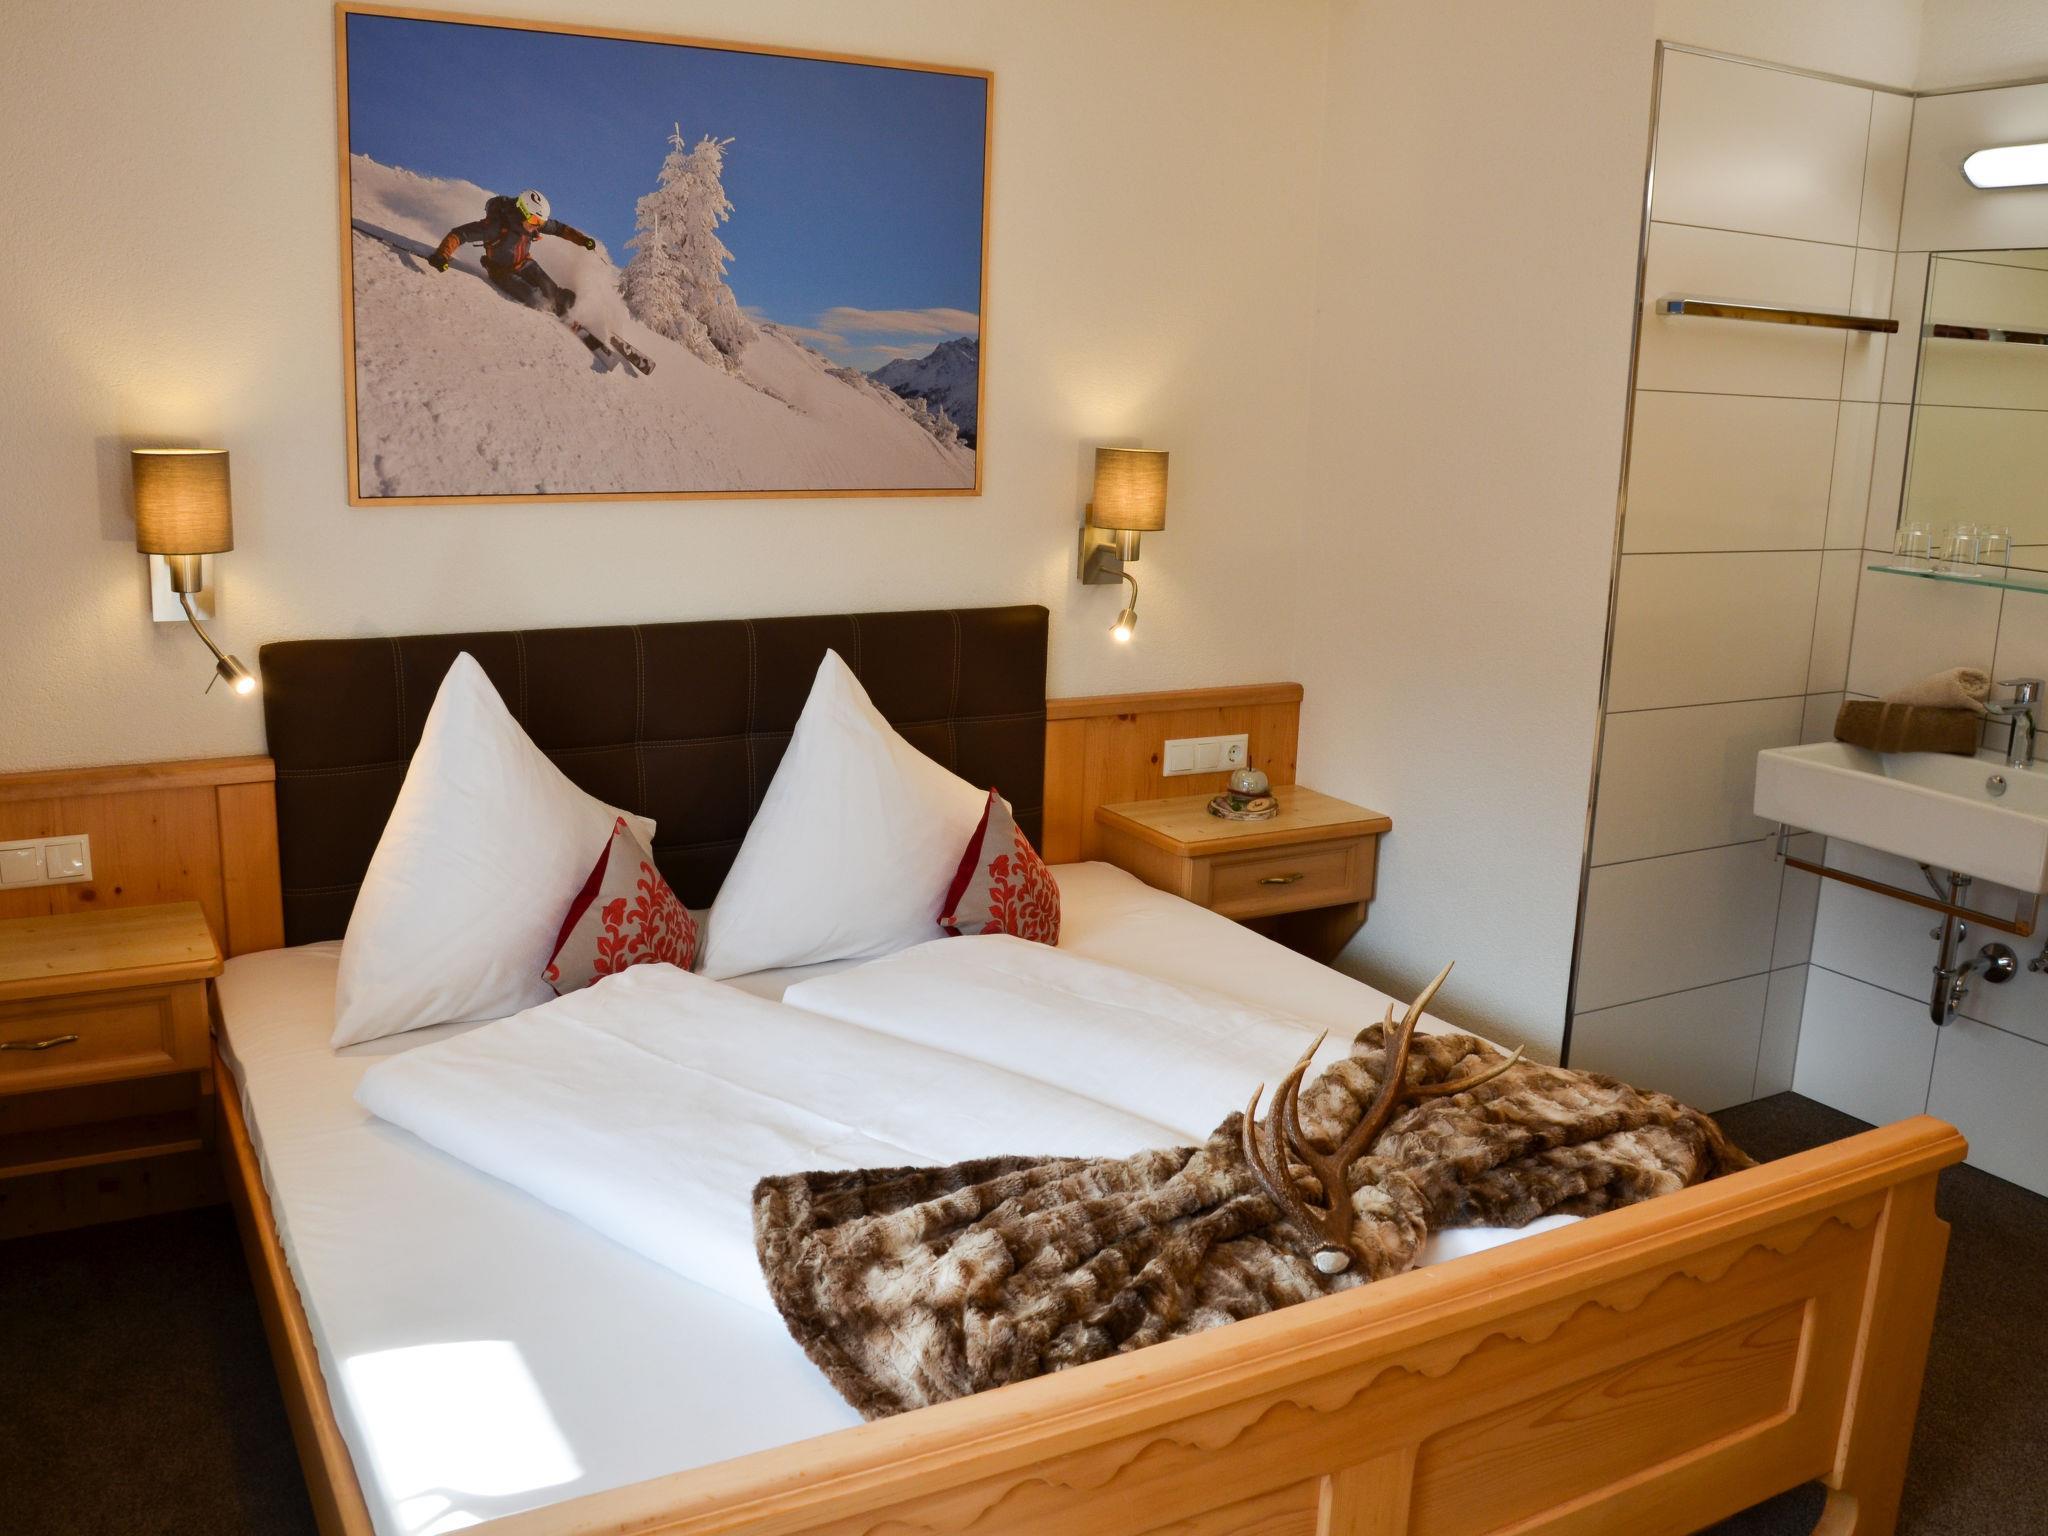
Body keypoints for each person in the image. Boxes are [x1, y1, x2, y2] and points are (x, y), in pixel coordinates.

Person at [429, 188, 596, 318]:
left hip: (525, 263)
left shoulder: (533, 223)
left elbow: (559, 229)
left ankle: (573, 310)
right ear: (522, 211)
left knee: (551, 290)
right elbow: (460, 234)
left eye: (540, 222)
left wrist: (583, 240)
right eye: (534, 220)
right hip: (501, 272)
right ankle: (554, 315)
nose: (537, 226)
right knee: (534, 298)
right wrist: (442, 255)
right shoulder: (495, 226)